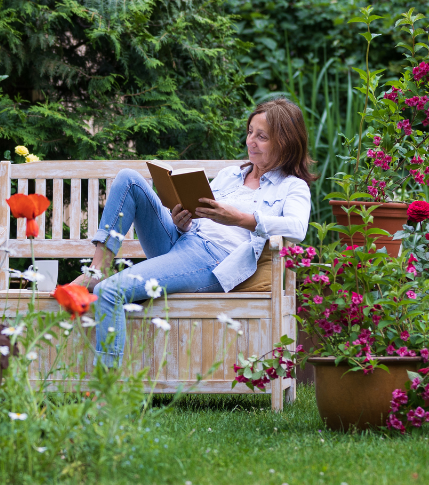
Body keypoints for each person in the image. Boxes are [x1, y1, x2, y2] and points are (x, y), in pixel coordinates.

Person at [74, 97, 314, 367]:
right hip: (184, 240)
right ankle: (97, 268)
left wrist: (240, 218)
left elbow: (297, 229)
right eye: (249, 132)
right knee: (128, 178)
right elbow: (202, 217)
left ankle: (105, 395)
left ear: (285, 143)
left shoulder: (292, 187)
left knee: (110, 291)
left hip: (213, 259)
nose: (251, 142)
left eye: (262, 137)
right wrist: (182, 221)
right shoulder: (229, 175)